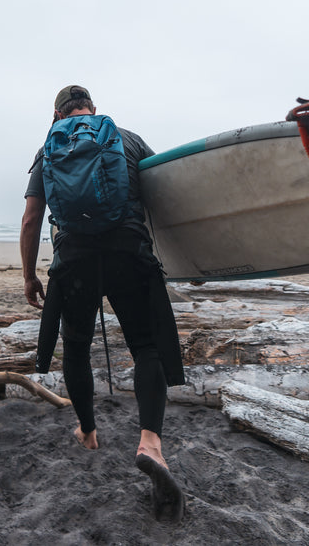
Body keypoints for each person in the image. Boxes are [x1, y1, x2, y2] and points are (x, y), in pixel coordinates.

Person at [20, 85, 186, 522]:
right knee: (146, 347)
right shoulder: (126, 139)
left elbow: (32, 218)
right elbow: (166, 198)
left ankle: (88, 432)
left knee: (75, 347)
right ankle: (150, 441)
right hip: (129, 252)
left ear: (56, 114)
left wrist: (29, 275)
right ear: (93, 108)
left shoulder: (49, 147)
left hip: (73, 260)